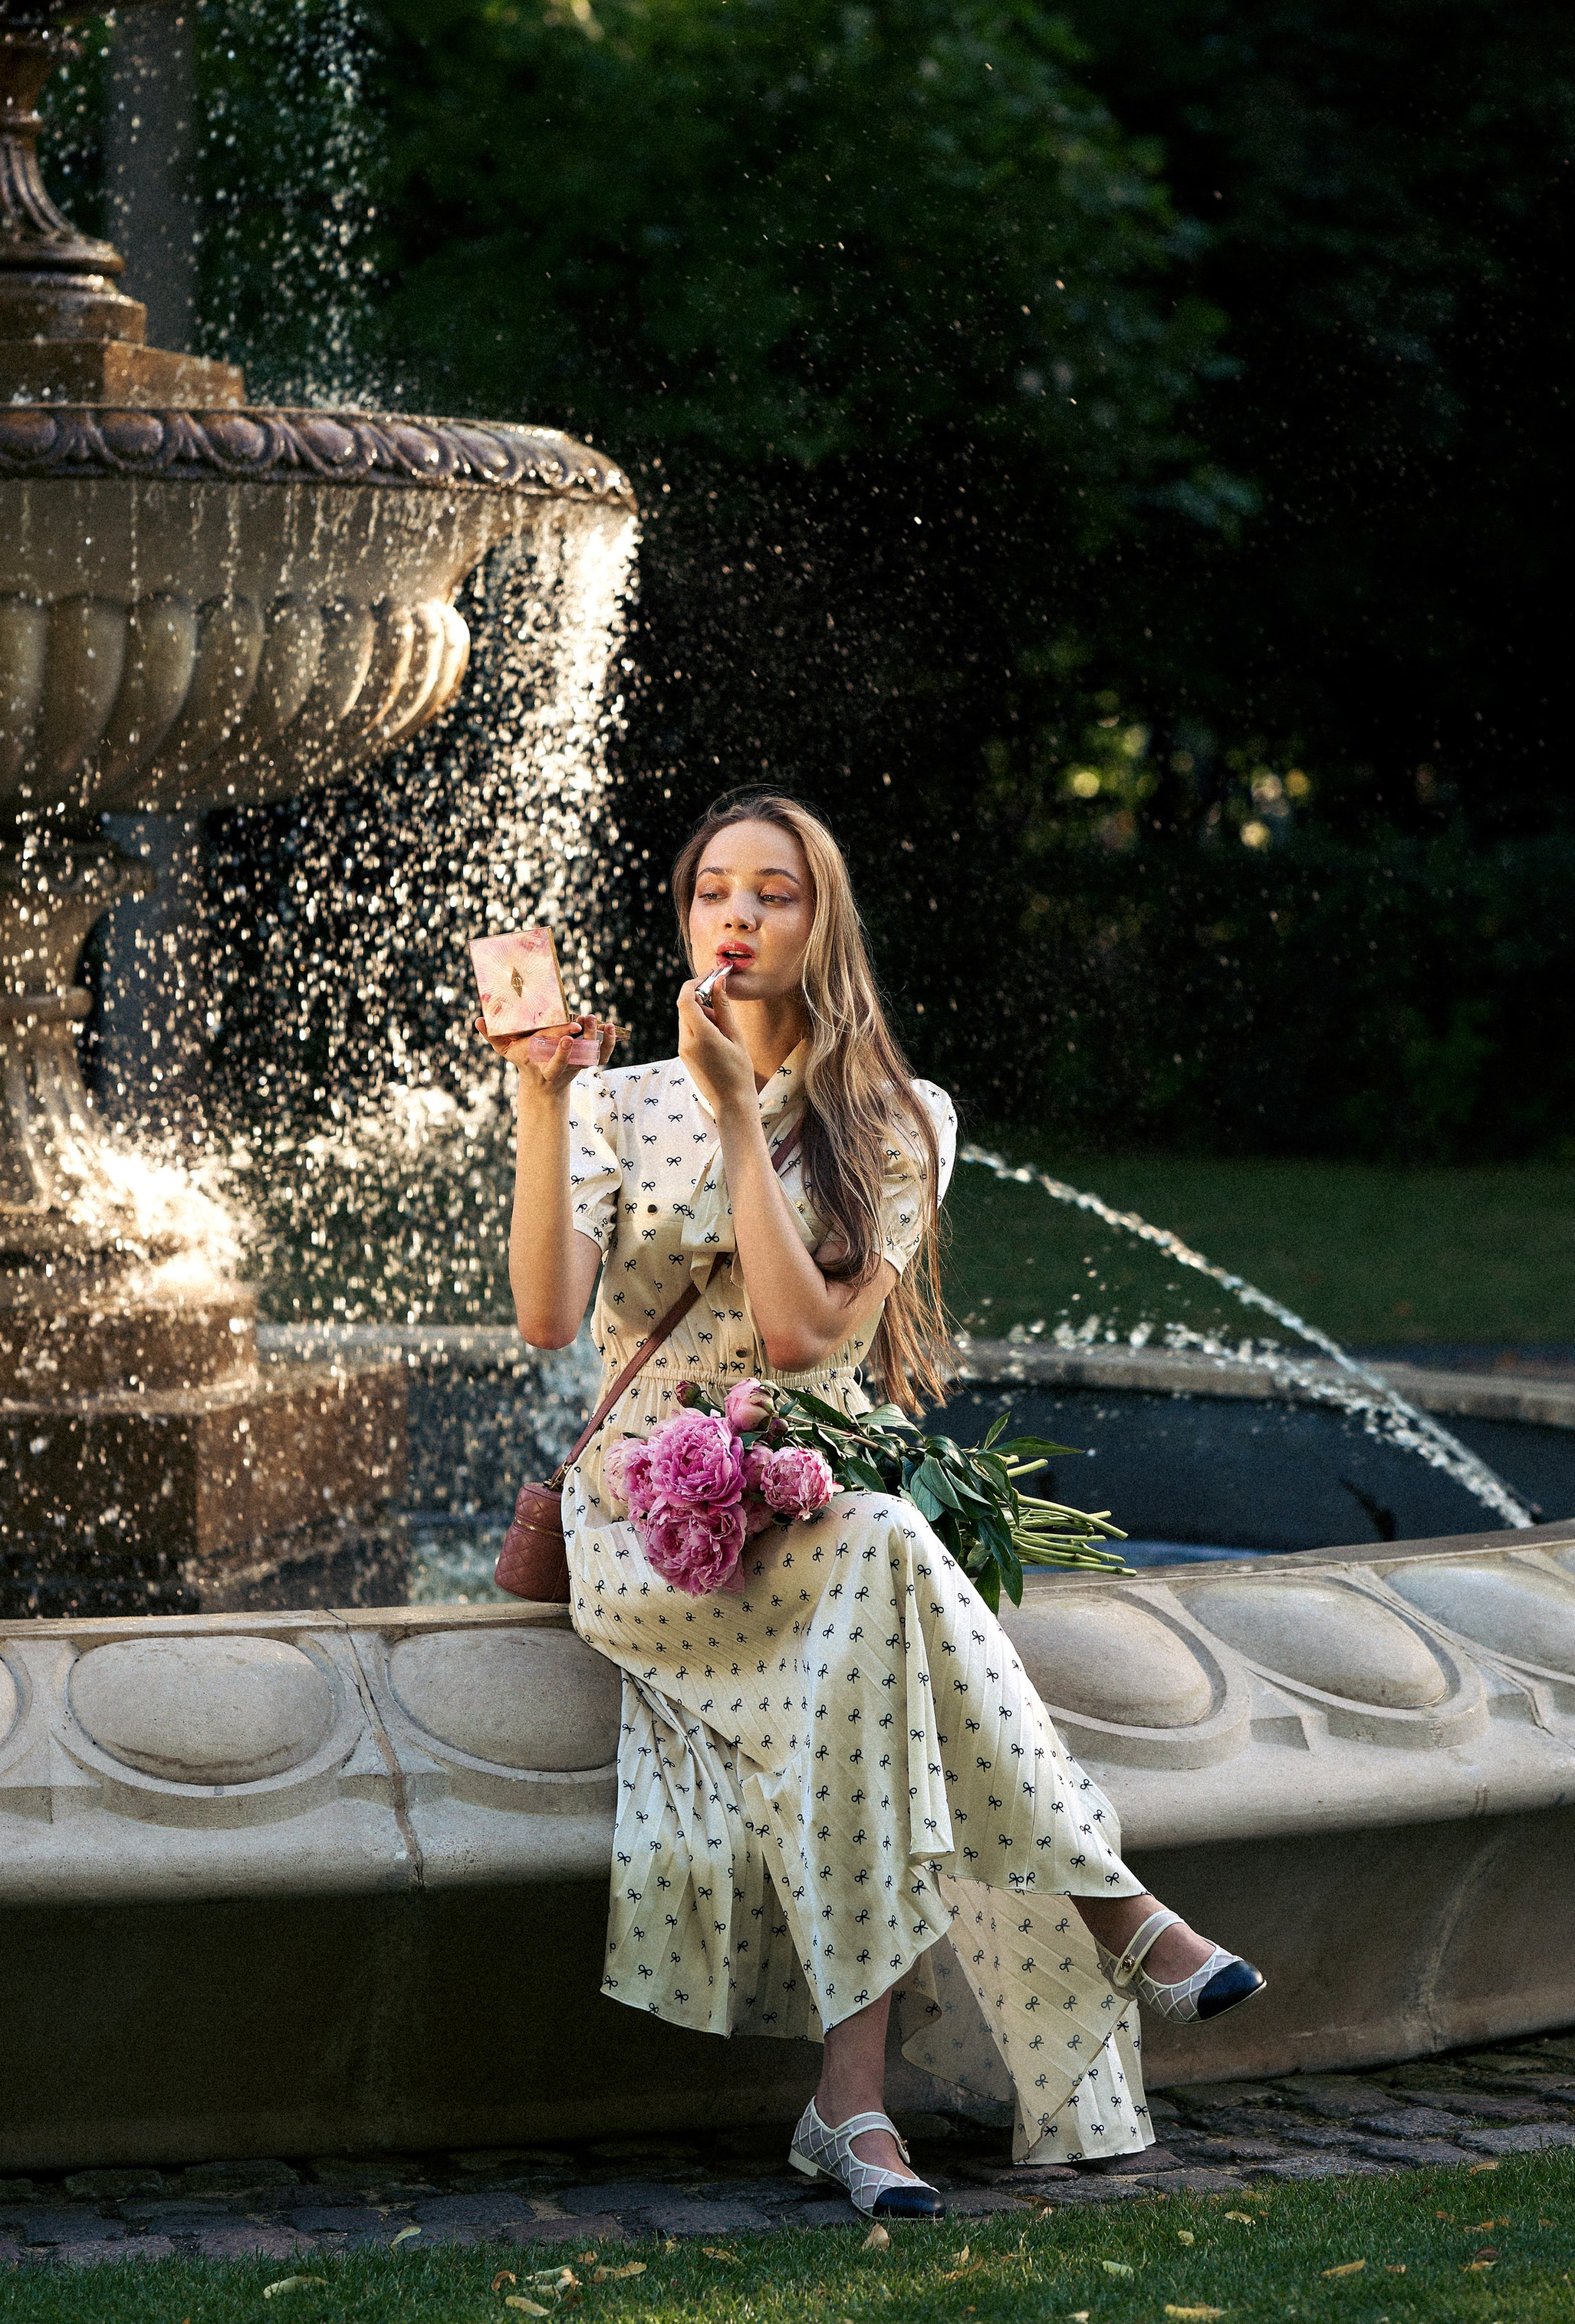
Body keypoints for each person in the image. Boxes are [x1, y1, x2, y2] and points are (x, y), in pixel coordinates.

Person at [497, 790, 1263, 2220]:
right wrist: (543, 1098)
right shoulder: (614, 1102)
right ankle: (1119, 1908)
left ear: (822, 918)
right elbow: (549, 1317)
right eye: (711, 891)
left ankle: (850, 2109)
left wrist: (740, 1115)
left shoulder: (906, 1121)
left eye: (772, 892)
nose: (736, 915)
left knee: (874, 1605)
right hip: (647, 1529)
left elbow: (801, 1343)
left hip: (815, 1499)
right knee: (895, 1555)